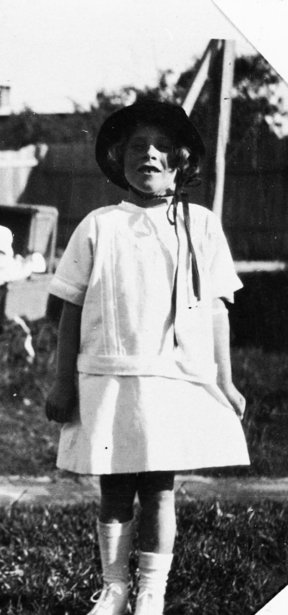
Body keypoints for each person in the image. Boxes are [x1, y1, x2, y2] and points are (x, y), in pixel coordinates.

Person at [44, 101, 249, 615]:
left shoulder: (200, 226)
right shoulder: (98, 226)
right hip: (110, 377)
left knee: (159, 489)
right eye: (138, 146)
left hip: (171, 378)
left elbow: (217, 311)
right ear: (118, 157)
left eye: (161, 147)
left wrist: (224, 380)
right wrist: (62, 382)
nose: (149, 155)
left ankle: (151, 592)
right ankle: (114, 589)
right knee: (114, 487)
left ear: (181, 159)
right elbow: (70, 311)